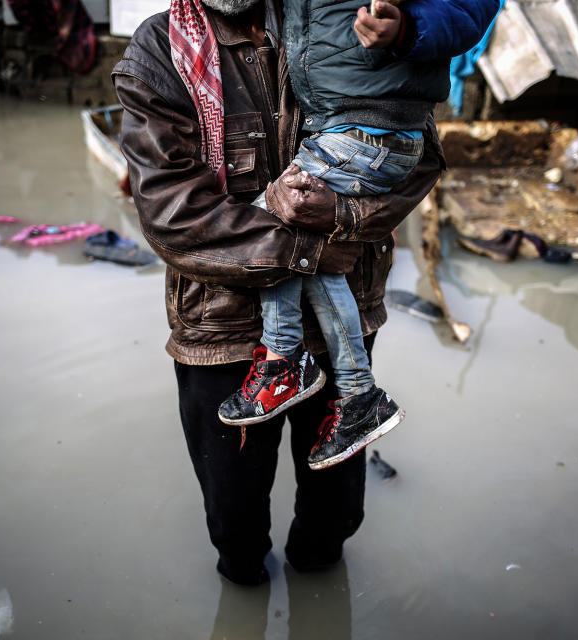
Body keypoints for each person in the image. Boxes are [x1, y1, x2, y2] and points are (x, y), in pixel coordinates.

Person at [112, 0, 477, 586]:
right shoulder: (160, 50)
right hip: (225, 327)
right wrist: (307, 250)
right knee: (234, 523)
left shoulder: (332, 17)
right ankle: (244, 583)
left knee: (332, 520)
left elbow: (413, 153)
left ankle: (319, 583)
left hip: (341, 319)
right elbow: (172, 214)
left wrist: (348, 212)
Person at [216, 0, 499, 472]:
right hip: (339, 128)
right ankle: (357, 395)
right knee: (307, 243)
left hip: (371, 130)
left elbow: (473, 6)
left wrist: (408, 27)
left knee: (271, 219)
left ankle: (287, 361)